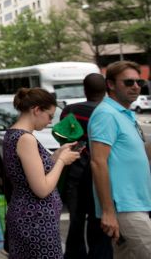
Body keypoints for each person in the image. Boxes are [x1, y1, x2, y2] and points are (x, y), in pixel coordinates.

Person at [3, 87, 80, 259]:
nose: (50, 122)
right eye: (50, 116)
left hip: (28, 219)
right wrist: (61, 162)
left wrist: (56, 155)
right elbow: (41, 189)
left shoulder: (13, 133)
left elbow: (31, 172)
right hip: (35, 223)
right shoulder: (26, 139)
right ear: (36, 110)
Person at [88, 60, 151, 258]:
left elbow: (138, 155)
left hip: (136, 203)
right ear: (111, 84)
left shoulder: (125, 114)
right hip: (124, 206)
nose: (135, 87)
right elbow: (98, 162)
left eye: (139, 83)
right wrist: (108, 211)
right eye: (129, 82)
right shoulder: (106, 114)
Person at [60, 73, 113, 259]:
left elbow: (63, 139)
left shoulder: (69, 111)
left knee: (76, 218)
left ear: (84, 89)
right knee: (98, 218)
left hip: (75, 172)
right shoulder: (110, 112)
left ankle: (75, 255)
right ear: (107, 88)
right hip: (103, 172)